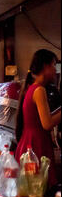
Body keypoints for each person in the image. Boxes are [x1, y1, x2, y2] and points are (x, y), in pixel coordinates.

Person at [15, 49, 61, 188]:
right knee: (37, 193)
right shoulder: (39, 90)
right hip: (36, 146)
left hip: (31, 144)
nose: (55, 70)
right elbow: (47, 124)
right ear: (45, 67)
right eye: (53, 65)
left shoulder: (31, 88)